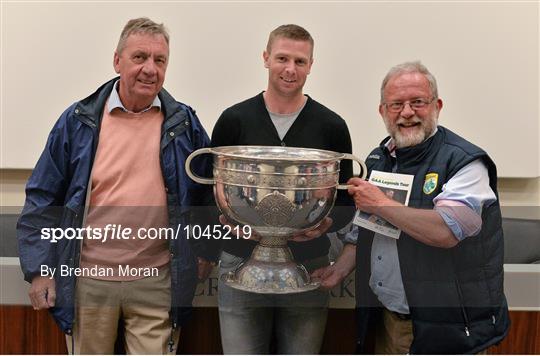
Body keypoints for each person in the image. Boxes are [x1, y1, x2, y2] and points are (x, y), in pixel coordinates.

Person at [17, 17, 217, 354]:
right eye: (140, 57)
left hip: (156, 280)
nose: (150, 69)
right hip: (88, 281)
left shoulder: (184, 124)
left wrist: (205, 252)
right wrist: (40, 270)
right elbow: (42, 197)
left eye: (160, 60)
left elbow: (205, 193)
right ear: (117, 61)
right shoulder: (78, 121)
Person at [318, 61, 510, 354]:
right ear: (383, 111)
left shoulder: (465, 162)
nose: (407, 112)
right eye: (396, 104)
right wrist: (339, 270)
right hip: (387, 320)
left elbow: (447, 231)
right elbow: (367, 230)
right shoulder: (378, 158)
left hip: (447, 331)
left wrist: (380, 203)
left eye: (417, 102)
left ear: (437, 105)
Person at [211, 24, 356, 354]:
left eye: (300, 61)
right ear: (265, 58)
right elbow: (212, 192)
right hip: (239, 261)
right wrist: (230, 223)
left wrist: (326, 224)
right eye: (282, 58)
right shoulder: (234, 119)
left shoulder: (331, 126)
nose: (290, 69)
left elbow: (346, 199)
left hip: (309, 264)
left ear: (311, 65)